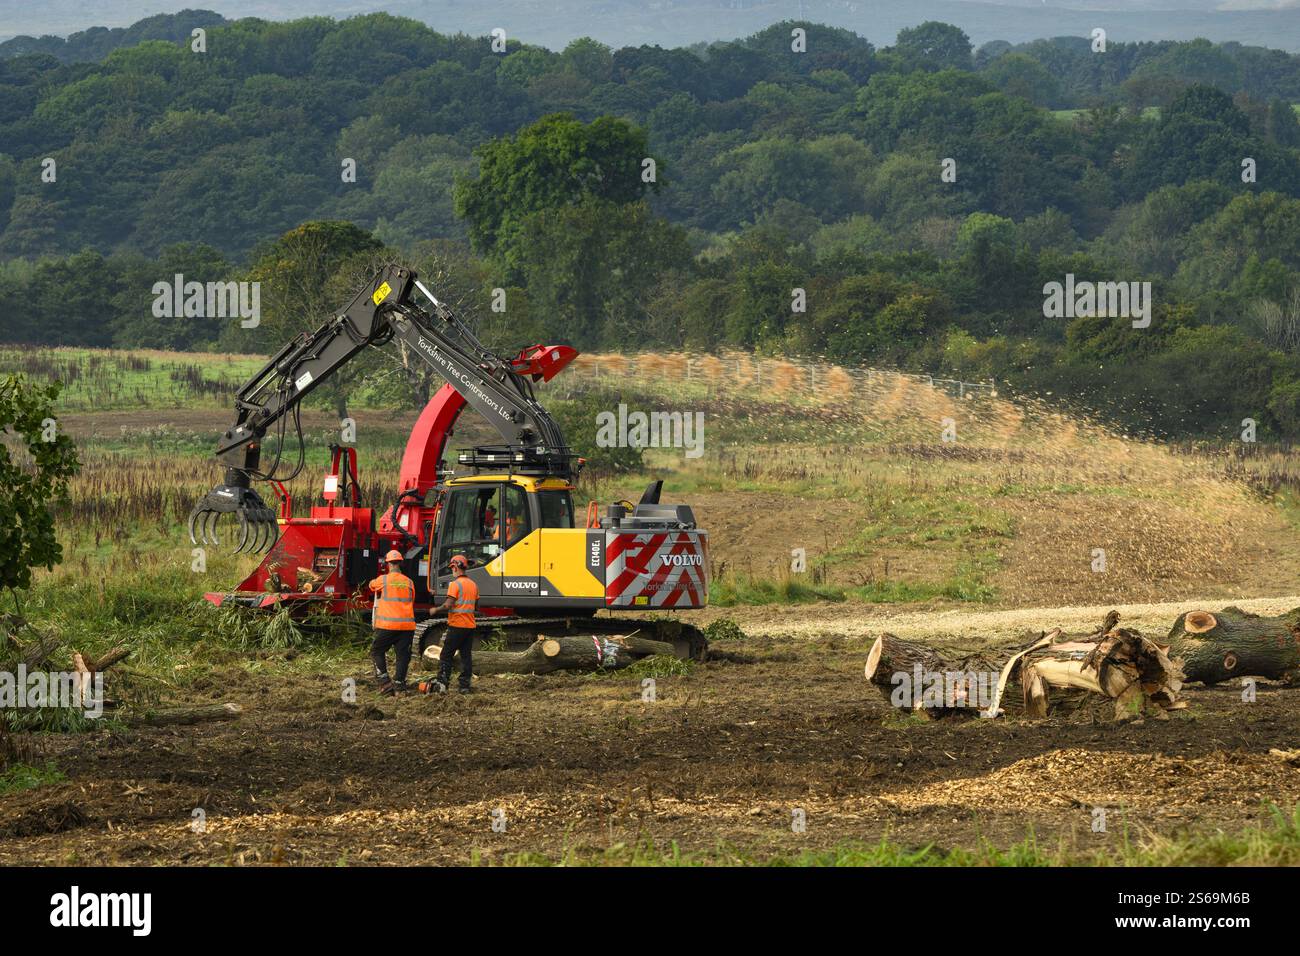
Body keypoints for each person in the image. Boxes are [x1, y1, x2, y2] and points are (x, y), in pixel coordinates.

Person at [368, 549, 415, 695]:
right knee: (403, 656)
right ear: (400, 562)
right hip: (407, 626)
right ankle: (400, 684)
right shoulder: (409, 582)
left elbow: (371, 585)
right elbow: (412, 600)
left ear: (387, 564)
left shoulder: (382, 580)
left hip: (387, 626)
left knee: (376, 651)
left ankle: (384, 683)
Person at [432, 553, 478, 694]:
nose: (452, 570)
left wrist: (435, 609)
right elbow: (476, 606)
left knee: (446, 655)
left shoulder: (455, 584)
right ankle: (464, 686)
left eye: (452, 567)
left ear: (456, 567)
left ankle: (442, 684)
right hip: (469, 626)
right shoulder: (473, 585)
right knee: (466, 656)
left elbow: (448, 605)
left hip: (457, 625)